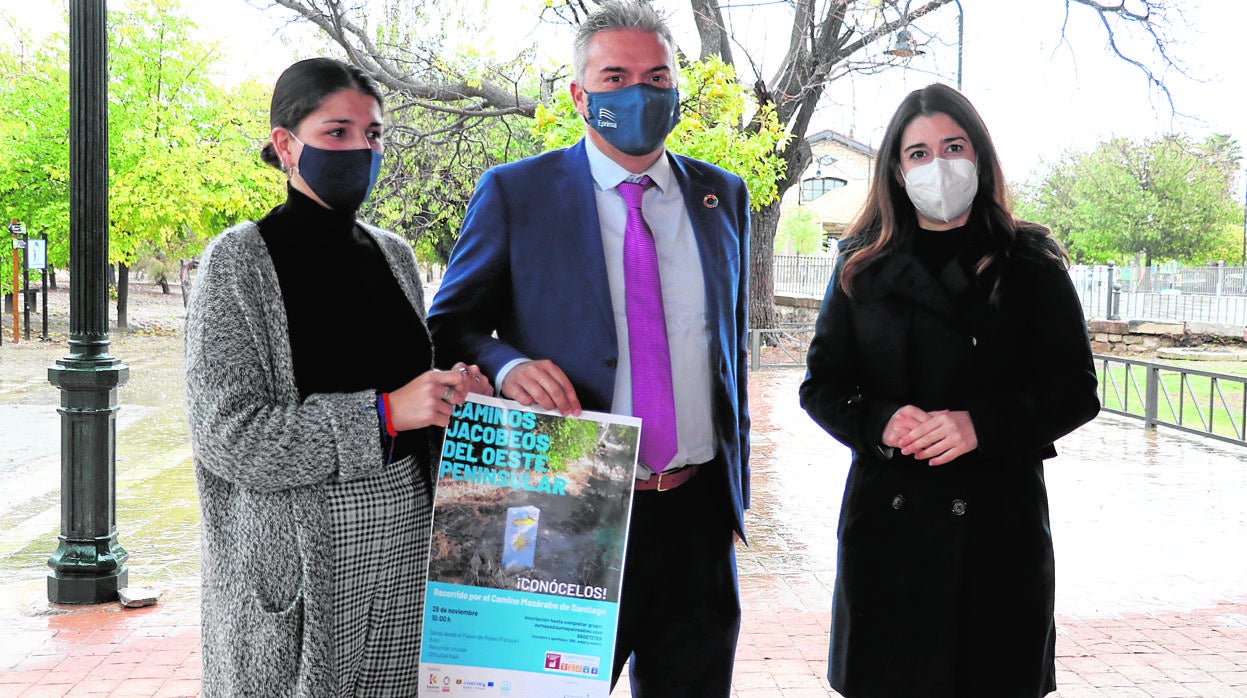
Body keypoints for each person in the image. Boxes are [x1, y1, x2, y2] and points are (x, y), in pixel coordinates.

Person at [427, 2, 751, 694]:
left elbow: (732, 358)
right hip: (562, 509)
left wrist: (733, 505)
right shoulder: (516, 194)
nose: (640, 92)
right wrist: (507, 365)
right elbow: (448, 323)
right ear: (579, 94)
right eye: (615, 76)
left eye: (657, 76)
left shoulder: (722, 198)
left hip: (694, 517)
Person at [183, 57, 491, 696]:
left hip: (408, 532)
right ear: (285, 144)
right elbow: (227, 435)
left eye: (373, 134)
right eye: (337, 132)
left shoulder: (394, 255)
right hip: (302, 555)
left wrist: (453, 393)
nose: (361, 149)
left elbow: (413, 387)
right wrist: (381, 415)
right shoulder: (237, 263)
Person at [799, 82, 1100, 697]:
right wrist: (879, 420)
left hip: (996, 529)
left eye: (953, 146)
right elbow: (821, 386)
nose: (938, 165)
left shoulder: (1031, 262)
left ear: (980, 155)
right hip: (889, 528)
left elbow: (1076, 390)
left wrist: (981, 425)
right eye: (918, 153)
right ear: (897, 169)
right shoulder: (861, 263)